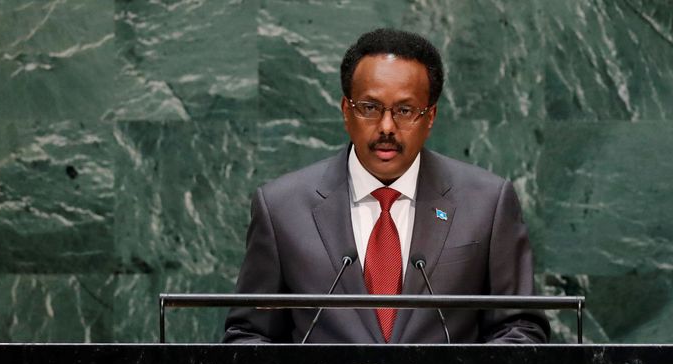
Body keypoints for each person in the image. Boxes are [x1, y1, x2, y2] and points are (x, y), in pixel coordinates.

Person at [223, 28, 549, 344]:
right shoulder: (282, 208)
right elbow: (249, 335)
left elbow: (519, 328)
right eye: (370, 108)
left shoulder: (487, 203)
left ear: (430, 117)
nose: (387, 127)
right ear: (346, 111)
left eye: (405, 110)